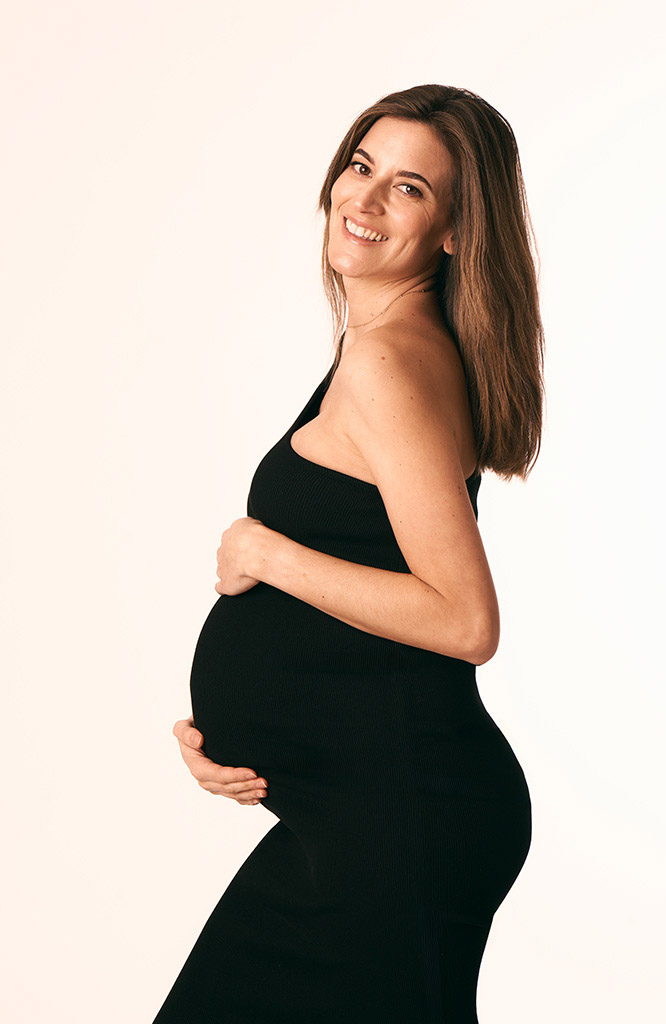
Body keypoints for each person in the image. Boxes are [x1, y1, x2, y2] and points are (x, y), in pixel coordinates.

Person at [153, 83, 545, 1024]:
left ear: (455, 228)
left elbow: (463, 619)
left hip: (400, 816)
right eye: (359, 167)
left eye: (407, 188)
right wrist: (248, 746)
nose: (361, 200)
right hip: (363, 808)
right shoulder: (387, 345)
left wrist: (266, 551)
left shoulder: (389, 362)